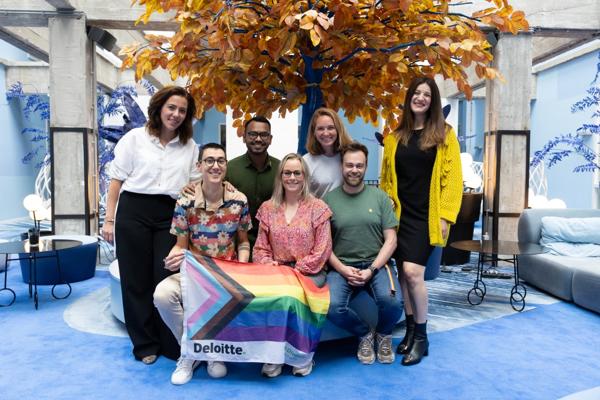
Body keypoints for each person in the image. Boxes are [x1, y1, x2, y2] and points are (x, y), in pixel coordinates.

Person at [102, 85, 200, 365]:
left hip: (169, 213)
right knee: (135, 280)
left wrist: (193, 189)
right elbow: (116, 181)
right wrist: (109, 219)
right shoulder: (135, 138)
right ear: (159, 108)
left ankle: (169, 342)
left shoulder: (190, 147)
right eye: (172, 107)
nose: (176, 114)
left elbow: (195, 185)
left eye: (182, 110)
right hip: (134, 209)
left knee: (164, 277)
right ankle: (145, 344)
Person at [380, 77, 463, 366]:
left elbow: (453, 179)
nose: (421, 98)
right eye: (416, 93)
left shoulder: (444, 134)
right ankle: (411, 331)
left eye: (427, 94)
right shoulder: (394, 137)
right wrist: (385, 216)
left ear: (433, 101)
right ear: (409, 98)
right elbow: (386, 180)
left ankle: (422, 336)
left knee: (414, 273)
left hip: (427, 216)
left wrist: (445, 216)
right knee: (403, 274)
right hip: (400, 216)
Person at [153, 143, 251, 385]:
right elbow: (181, 245)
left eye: (220, 160)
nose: (215, 166)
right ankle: (193, 350)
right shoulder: (185, 200)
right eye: (209, 160)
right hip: (194, 272)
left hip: (226, 274)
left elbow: (243, 242)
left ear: (226, 166)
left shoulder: (239, 201)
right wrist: (173, 258)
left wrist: (242, 267)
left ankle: (212, 349)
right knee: (162, 295)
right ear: (199, 166)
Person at [253, 153, 333, 378]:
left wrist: (296, 270)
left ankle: (301, 355)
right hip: (277, 270)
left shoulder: (318, 207)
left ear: (305, 176)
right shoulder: (268, 208)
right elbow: (260, 248)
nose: (292, 177)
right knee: (276, 295)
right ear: (280, 177)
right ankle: (274, 355)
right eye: (287, 173)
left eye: (297, 173)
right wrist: (271, 265)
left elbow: (323, 249)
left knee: (292, 295)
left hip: (310, 270)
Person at [324, 142, 403, 365]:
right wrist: (342, 269)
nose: (354, 170)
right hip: (342, 266)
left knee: (393, 303)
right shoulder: (328, 201)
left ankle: (383, 334)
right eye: (349, 165)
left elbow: (391, 240)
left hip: (377, 264)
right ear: (342, 166)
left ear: (366, 167)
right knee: (331, 306)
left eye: (359, 165)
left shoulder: (380, 198)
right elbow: (324, 245)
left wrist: (371, 269)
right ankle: (365, 334)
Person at [225, 116, 280, 253]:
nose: (258, 139)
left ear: (271, 139)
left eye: (264, 135)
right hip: (236, 243)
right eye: (252, 134)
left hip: (274, 245)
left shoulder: (281, 169)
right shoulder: (229, 168)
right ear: (244, 137)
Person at [303, 107, 353, 198]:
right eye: (320, 128)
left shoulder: (349, 156)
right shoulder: (306, 161)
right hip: (319, 207)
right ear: (314, 132)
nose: (326, 133)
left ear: (338, 130)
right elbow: (302, 196)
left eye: (330, 128)